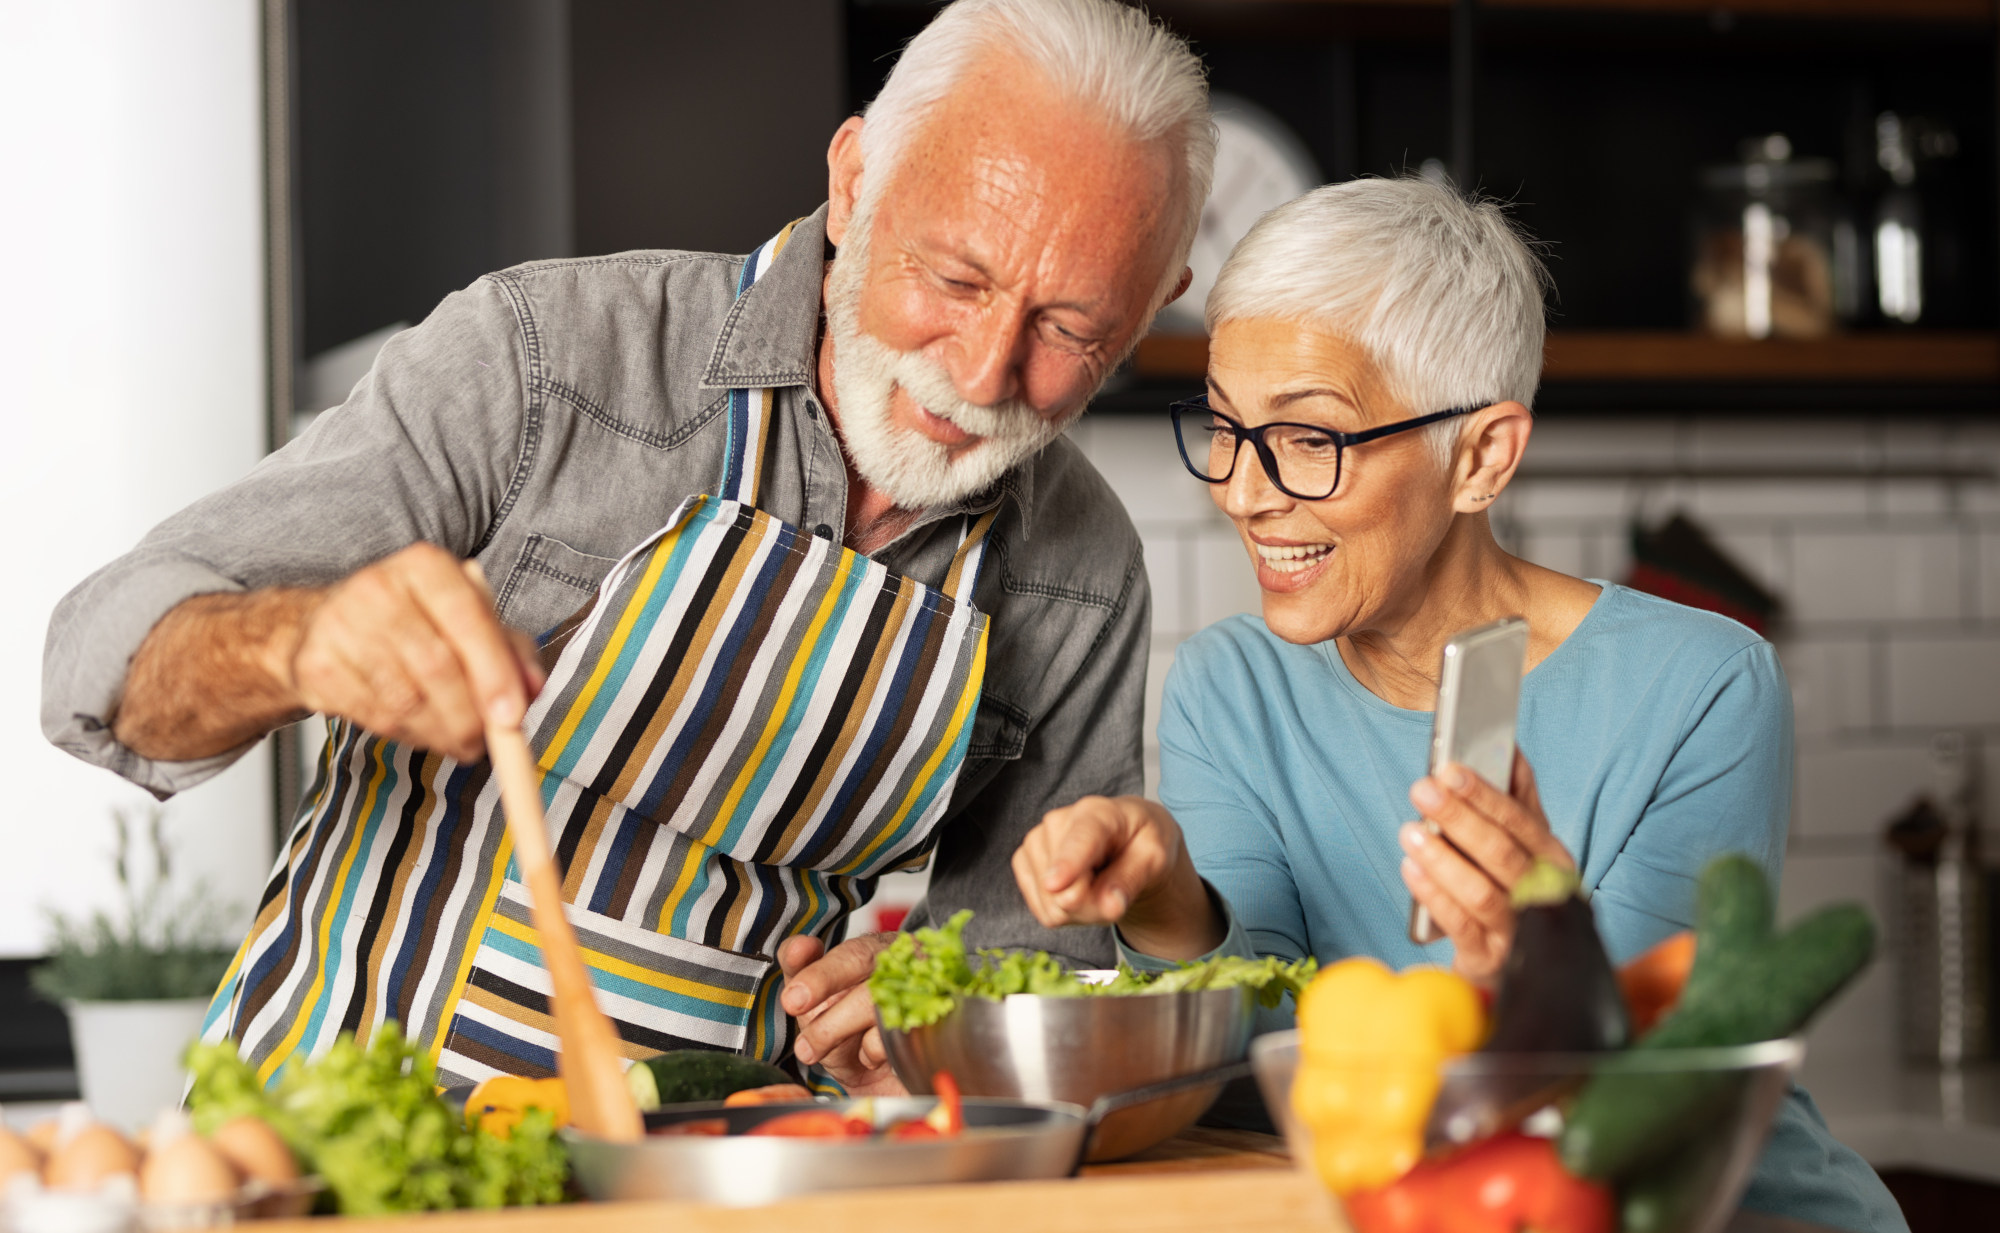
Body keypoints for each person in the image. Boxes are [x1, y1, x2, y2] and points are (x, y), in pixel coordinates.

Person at [41, 0, 1214, 1096]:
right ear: (854, 184)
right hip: (332, 1152)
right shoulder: (548, 359)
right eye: (953, 278)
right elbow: (98, 667)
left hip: (719, 1181)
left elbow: (1016, 1003)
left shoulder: (1077, 568)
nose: (980, 373)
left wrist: (929, 1021)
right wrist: (294, 642)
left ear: (1158, 298)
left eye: (1070, 328)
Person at [1008, 178, 1907, 1232]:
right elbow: (1256, 1075)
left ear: (1479, 456)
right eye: (1221, 425)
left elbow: (1649, 1106)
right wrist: (1166, 899)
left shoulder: (1702, 683)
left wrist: (1543, 962)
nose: (1241, 491)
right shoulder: (1229, 686)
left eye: (1308, 439)